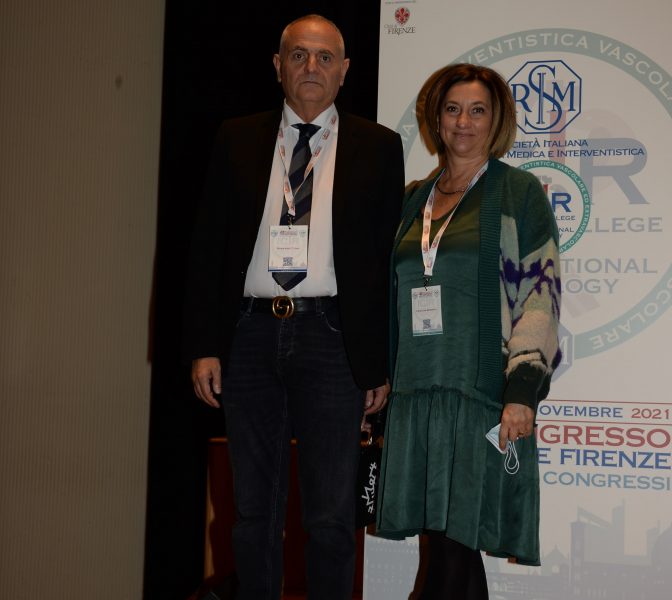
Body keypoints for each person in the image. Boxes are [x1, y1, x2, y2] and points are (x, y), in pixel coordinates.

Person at [183, 14, 404, 600]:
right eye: (299, 55)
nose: (312, 67)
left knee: (330, 515)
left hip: (333, 338)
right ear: (278, 66)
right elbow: (206, 246)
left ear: (344, 70)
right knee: (253, 511)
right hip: (248, 336)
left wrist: (376, 363)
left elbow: (384, 263)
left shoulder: (380, 147)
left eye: (325, 57)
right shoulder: (236, 137)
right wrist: (204, 344)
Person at [374, 63, 561, 599]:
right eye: (453, 109)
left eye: (477, 111)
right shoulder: (413, 199)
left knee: (454, 547)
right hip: (415, 394)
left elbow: (540, 293)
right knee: (445, 546)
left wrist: (522, 390)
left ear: (495, 120)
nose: (463, 122)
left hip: (480, 393)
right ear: (437, 120)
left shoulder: (518, 192)